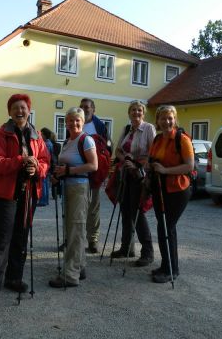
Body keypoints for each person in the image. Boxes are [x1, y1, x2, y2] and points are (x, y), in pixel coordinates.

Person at [0, 94, 50, 307]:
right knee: (3, 239)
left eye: (23, 108)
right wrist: (22, 161)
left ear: (28, 110)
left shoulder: (36, 135)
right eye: (15, 108)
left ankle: (14, 277)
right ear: (9, 111)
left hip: (29, 191)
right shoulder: (2, 133)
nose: (19, 111)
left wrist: (36, 168)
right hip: (6, 193)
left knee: (21, 236)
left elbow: (45, 161)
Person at [48, 107, 97, 288]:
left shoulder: (86, 140)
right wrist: (58, 174)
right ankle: (79, 266)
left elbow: (93, 165)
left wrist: (69, 171)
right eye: (70, 120)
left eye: (77, 120)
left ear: (83, 122)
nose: (73, 123)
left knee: (75, 230)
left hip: (79, 188)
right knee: (73, 229)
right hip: (68, 187)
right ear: (65, 122)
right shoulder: (68, 140)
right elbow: (65, 164)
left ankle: (70, 275)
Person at [147, 105, 194, 283]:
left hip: (178, 189)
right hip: (160, 188)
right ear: (157, 121)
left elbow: (189, 166)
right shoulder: (158, 139)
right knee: (162, 226)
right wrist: (150, 166)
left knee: (168, 228)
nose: (167, 121)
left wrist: (165, 170)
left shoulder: (181, 140)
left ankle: (172, 270)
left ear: (175, 120)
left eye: (170, 118)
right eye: (163, 118)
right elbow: (152, 159)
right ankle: (165, 265)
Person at [111, 100, 156, 266]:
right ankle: (126, 248)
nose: (136, 113)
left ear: (143, 113)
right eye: (133, 110)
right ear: (129, 113)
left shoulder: (149, 129)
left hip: (139, 175)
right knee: (125, 210)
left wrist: (136, 163)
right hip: (125, 175)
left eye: (139, 110)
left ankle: (148, 252)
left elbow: (153, 153)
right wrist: (126, 159)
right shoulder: (126, 129)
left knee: (137, 212)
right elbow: (118, 150)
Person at [79, 98, 110, 253]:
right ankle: (71, 239)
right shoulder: (75, 122)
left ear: (93, 110)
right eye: (82, 107)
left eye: (87, 107)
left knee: (93, 208)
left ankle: (93, 240)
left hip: (95, 174)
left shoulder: (100, 126)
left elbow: (106, 150)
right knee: (75, 209)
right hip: (77, 172)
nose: (85, 109)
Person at [37, 128, 54, 207]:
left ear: (44, 135)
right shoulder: (49, 143)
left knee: (43, 183)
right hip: (48, 165)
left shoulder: (46, 144)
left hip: (45, 165)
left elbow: (45, 155)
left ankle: (43, 200)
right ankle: (45, 200)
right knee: (46, 183)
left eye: (42, 134)